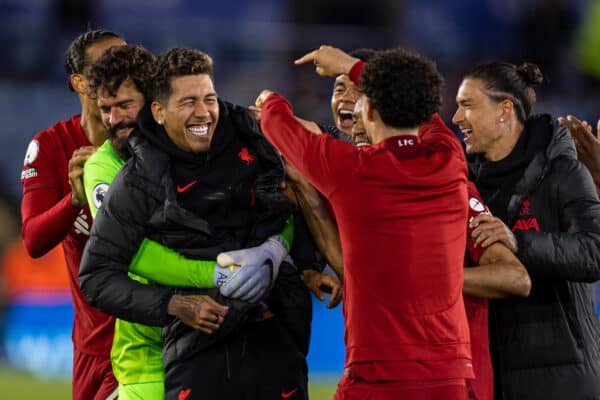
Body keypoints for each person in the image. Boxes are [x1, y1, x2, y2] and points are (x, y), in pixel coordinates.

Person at [80, 47, 310, 400]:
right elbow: (101, 273)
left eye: (209, 99)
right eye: (188, 102)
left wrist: (279, 253)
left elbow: (286, 206)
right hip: (185, 346)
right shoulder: (132, 176)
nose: (203, 112)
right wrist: (181, 300)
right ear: (158, 111)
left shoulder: (251, 139)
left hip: (272, 335)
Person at [259, 45, 473, 399]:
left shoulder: (349, 168)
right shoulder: (449, 159)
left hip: (378, 377)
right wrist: (350, 66)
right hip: (448, 374)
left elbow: (275, 122)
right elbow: (427, 115)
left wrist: (270, 98)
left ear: (369, 110)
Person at [452, 61, 600, 399]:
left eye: (467, 105)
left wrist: (518, 241)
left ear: (504, 110)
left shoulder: (562, 173)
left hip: (563, 375)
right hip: (491, 374)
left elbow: (594, 252)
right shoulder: (464, 182)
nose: (456, 118)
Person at [19, 29, 125, 400]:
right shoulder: (50, 146)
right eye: (106, 66)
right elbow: (33, 239)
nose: (119, 74)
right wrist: (74, 200)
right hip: (92, 346)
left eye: (125, 64)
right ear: (79, 82)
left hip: (150, 339)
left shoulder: (151, 142)